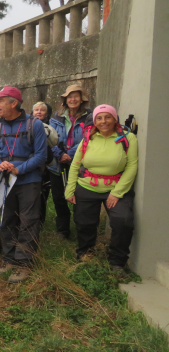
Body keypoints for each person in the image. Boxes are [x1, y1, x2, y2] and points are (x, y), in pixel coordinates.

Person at [65, 105, 137, 272]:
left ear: (115, 119)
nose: (103, 121)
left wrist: (117, 193)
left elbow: (132, 166)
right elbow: (75, 165)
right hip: (87, 186)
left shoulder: (128, 138)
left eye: (108, 117)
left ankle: (117, 261)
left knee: (123, 221)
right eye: (99, 118)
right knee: (84, 223)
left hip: (116, 187)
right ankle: (85, 255)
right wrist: (70, 189)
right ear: (95, 121)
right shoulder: (88, 138)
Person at [0, 86, 47, 283]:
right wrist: (0, 164)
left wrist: (19, 169)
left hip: (29, 181)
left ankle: (25, 263)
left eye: (1, 101)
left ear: (14, 103)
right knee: (7, 219)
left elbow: (41, 156)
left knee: (28, 221)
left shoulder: (34, 125)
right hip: (6, 180)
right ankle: (10, 259)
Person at [48, 85, 93, 239]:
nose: (73, 99)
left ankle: (81, 227)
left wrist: (70, 154)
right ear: (65, 100)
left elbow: (89, 138)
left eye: (76, 96)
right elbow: (50, 138)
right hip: (58, 162)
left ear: (82, 99)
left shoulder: (89, 116)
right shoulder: (56, 117)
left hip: (79, 162)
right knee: (59, 197)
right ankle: (63, 230)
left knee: (78, 196)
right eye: (69, 97)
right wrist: (59, 154)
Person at [31, 102, 59, 224]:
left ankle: (40, 221)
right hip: (33, 164)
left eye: (42, 110)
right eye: (36, 110)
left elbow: (55, 143)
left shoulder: (51, 126)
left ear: (47, 114)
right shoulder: (28, 125)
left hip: (47, 165)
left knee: (43, 193)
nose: (39, 112)